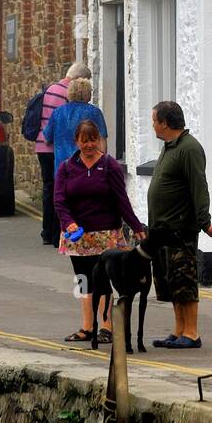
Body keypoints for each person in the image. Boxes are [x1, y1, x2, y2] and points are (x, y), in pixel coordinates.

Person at [53, 119, 146, 343]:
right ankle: (86, 327)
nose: (89, 145)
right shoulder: (66, 167)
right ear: (76, 141)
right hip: (78, 237)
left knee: (103, 281)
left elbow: (121, 199)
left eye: (93, 140)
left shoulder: (109, 165)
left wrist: (136, 226)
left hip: (106, 234)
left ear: (99, 140)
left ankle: (106, 327)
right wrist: (68, 223)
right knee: (83, 280)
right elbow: (59, 200)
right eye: (84, 141)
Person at [146, 101, 212, 350]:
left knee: (184, 280)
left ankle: (191, 332)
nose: (153, 126)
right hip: (162, 230)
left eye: (154, 121)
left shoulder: (189, 148)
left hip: (181, 229)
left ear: (166, 123)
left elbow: (199, 188)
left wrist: (206, 224)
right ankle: (179, 329)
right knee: (171, 282)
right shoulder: (170, 147)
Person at [35, 61, 90, 247]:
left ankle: (47, 232)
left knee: (50, 190)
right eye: (86, 80)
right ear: (79, 79)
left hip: (42, 147)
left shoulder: (51, 89)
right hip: (57, 151)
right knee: (62, 192)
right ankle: (59, 232)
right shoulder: (68, 95)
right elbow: (67, 127)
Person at [42, 77, 106, 167]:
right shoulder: (94, 112)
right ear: (87, 93)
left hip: (63, 168)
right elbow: (102, 141)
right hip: (87, 166)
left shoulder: (57, 112)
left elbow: (46, 139)